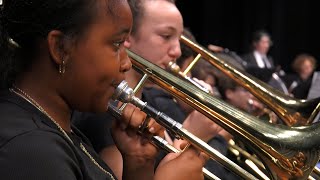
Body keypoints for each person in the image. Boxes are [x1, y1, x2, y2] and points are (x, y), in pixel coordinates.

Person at [0, 0, 207, 180]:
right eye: (117, 45)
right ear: (60, 48)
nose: (127, 63)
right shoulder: (30, 149)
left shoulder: (55, 127)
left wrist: (139, 165)